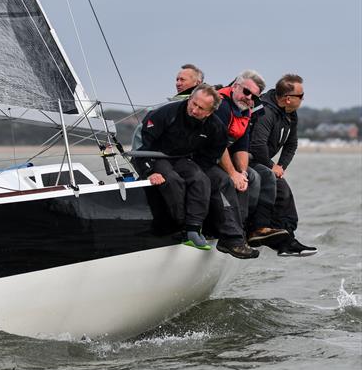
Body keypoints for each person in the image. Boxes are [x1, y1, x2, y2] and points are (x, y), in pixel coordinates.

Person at [201, 70, 288, 259]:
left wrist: (241, 172)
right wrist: (233, 174)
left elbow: (241, 144)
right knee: (227, 180)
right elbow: (219, 144)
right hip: (203, 157)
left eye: (254, 97)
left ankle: (250, 229)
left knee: (255, 177)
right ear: (234, 87)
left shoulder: (245, 110)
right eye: (246, 92)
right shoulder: (222, 105)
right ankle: (229, 235)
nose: (248, 98)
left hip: (222, 156)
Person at [134, 84, 227, 251]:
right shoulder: (165, 113)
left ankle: (194, 228)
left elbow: (214, 152)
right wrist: (149, 172)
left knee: (201, 179)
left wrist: (197, 165)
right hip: (156, 156)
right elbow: (141, 147)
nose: (194, 110)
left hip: (182, 158)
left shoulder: (216, 126)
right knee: (173, 180)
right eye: (193, 103)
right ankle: (182, 227)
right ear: (190, 99)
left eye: (201, 108)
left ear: (210, 112)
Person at [249, 74, 317, 256]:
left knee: (283, 190)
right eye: (301, 96)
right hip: (247, 159)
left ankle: (287, 241)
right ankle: (278, 240)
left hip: (263, 162)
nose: (303, 99)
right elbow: (256, 145)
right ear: (288, 98)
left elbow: (291, 144)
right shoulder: (265, 112)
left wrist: (281, 166)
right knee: (280, 188)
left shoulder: (290, 114)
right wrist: (272, 166)